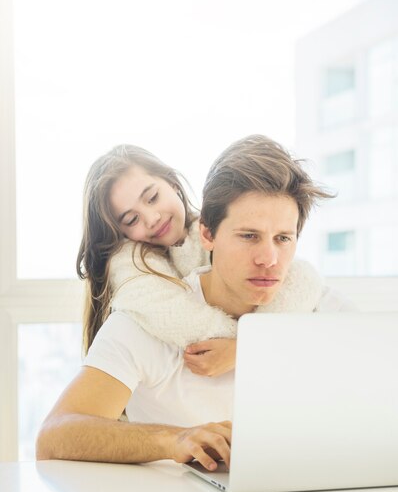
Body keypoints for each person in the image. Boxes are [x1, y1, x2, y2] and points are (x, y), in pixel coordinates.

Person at [36, 135, 354, 470]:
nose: (269, 259)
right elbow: (54, 437)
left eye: (283, 238)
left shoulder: (313, 300)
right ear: (207, 234)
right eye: (248, 236)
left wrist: (253, 347)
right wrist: (173, 439)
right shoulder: (146, 315)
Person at [77, 144, 326, 377]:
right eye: (132, 220)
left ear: (173, 184)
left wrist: (245, 348)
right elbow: (173, 315)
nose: (152, 218)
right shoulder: (131, 266)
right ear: (120, 234)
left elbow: (302, 279)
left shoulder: (218, 227)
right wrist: (241, 345)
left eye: (152, 197)